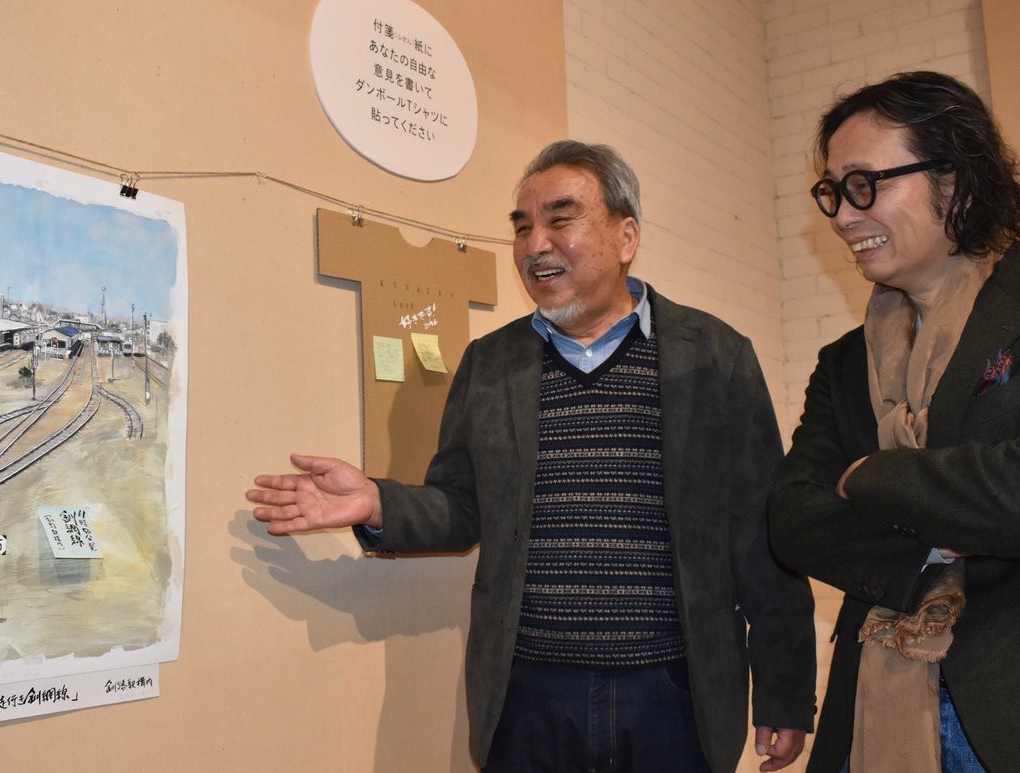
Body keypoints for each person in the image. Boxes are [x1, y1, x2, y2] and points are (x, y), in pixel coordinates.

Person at [248, 140, 816, 772]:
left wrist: (785, 692)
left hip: (674, 694)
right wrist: (378, 502)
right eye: (522, 227)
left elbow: (762, 534)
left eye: (560, 219)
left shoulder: (714, 357)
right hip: (528, 695)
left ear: (626, 236)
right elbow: (462, 505)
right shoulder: (491, 364)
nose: (534, 244)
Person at [769, 71, 1020, 772]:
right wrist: (943, 542)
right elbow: (792, 518)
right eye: (832, 192)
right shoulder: (845, 362)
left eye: (864, 185)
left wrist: (873, 477)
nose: (842, 216)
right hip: (874, 706)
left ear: (955, 179)